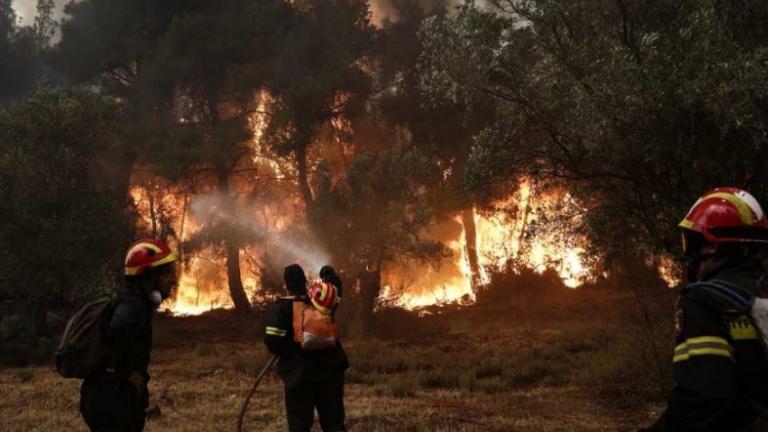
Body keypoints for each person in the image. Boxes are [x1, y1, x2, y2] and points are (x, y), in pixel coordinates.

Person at [643, 187, 768, 431]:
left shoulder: (703, 302)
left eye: (694, 244)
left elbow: (702, 401)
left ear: (711, 247)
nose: (691, 254)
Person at [80, 239, 178, 432]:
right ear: (149, 275)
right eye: (167, 273)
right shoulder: (134, 306)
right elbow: (114, 334)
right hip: (113, 401)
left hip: (108, 398)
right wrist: (124, 373)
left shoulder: (131, 302)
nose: (173, 280)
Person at [264, 264, 349, 432]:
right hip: (330, 372)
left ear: (286, 285)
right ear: (305, 282)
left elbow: (272, 341)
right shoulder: (321, 301)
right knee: (334, 423)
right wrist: (329, 274)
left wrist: (287, 352)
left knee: (299, 425)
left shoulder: (281, 308)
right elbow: (336, 290)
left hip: (299, 376)